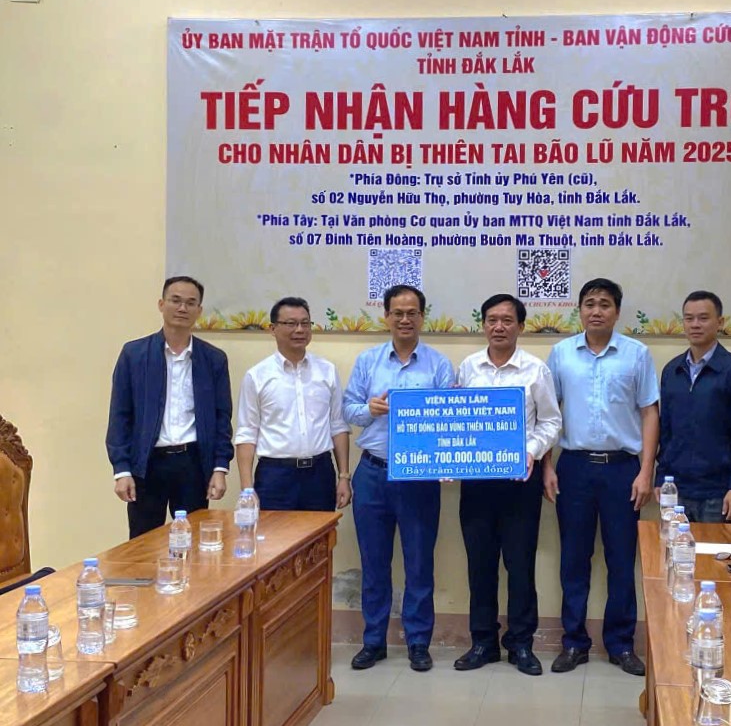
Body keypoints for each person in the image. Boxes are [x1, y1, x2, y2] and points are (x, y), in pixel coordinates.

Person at [544, 278, 659, 677]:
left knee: (621, 559)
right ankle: (574, 643)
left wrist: (646, 470)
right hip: (573, 467)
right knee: (574, 559)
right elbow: (549, 413)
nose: (596, 311)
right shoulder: (561, 353)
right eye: (590, 303)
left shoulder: (637, 354)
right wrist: (547, 466)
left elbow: (649, 412)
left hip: (622, 470)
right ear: (579, 310)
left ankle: (621, 644)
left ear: (617, 311)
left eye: (605, 304)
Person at [342, 285, 454, 672]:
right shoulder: (368, 361)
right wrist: (369, 409)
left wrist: (445, 461)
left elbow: (448, 420)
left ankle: (418, 642)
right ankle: (373, 641)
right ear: (386, 317)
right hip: (373, 472)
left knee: (419, 563)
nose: (405, 319)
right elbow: (348, 409)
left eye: (412, 313)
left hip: (420, 478)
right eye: (398, 313)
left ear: (423, 317)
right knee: (374, 563)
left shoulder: (439, 365)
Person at [453, 294, 562, 676]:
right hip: (477, 483)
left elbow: (551, 422)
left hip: (520, 482)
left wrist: (530, 452)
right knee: (480, 566)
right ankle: (483, 642)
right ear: (483, 325)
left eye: (507, 320)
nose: (498, 327)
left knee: (520, 566)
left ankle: (521, 644)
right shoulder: (468, 368)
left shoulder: (535, 369)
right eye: (492, 320)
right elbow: (456, 420)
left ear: (521, 326)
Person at [107, 276, 233, 539]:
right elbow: (120, 416)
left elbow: (222, 418)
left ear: (199, 310)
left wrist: (220, 468)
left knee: (192, 542)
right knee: (143, 544)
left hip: (193, 463)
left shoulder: (213, 359)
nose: (182, 308)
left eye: (190, 303)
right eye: (175, 300)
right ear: (161, 304)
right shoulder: (134, 355)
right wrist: (122, 469)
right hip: (147, 464)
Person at [234, 297, 351, 511]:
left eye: (305, 323)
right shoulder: (257, 376)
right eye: (291, 323)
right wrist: (247, 489)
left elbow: (337, 425)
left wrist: (344, 476)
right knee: (274, 533)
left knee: (321, 533)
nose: (299, 330)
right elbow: (247, 433)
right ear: (273, 329)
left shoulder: (327, 370)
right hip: (275, 475)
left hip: (320, 473)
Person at [656, 291, 731, 523]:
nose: (695, 324)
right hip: (678, 490)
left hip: (719, 492)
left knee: (717, 548)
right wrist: (661, 477)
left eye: (703, 318)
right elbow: (666, 431)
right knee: (675, 546)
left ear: (719, 322)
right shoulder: (672, 371)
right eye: (689, 318)